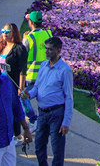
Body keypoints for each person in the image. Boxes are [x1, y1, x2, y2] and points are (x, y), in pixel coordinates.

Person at [21, 36, 73, 166]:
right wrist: (29, 95)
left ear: (58, 50)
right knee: (39, 145)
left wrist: (66, 122)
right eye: (46, 49)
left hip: (57, 113)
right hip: (42, 113)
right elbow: (37, 87)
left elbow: (69, 97)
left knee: (57, 148)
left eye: (50, 49)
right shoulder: (44, 65)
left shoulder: (64, 70)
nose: (47, 52)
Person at [0, 23, 28, 139]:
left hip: (12, 83)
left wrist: (21, 86)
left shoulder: (19, 48)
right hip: (0, 82)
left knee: (14, 107)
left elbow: (22, 70)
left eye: (7, 32)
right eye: (3, 31)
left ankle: (17, 134)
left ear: (13, 33)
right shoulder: (2, 46)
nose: (4, 34)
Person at [22, 11, 52, 124]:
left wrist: (23, 39)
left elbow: (20, 54)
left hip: (32, 76)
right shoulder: (49, 34)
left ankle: (34, 120)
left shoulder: (29, 38)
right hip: (47, 75)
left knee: (23, 98)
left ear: (31, 22)